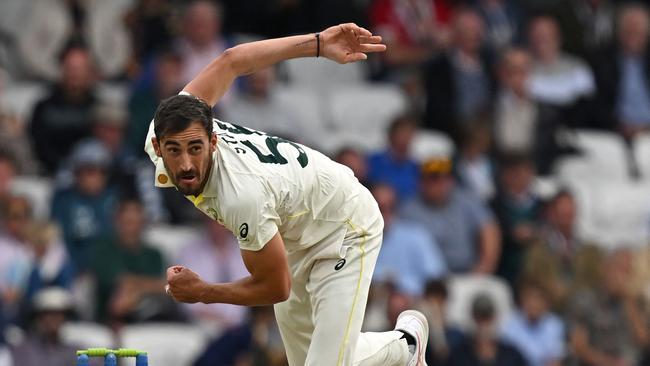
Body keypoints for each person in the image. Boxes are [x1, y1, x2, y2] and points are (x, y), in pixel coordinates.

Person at [148, 24, 429, 365]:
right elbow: (231, 60)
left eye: (195, 148)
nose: (187, 164)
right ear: (157, 147)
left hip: (345, 226)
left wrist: (204, 292)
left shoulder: (240, 196)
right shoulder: (170, 122)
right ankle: (404, 348)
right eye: (174, 150)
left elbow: (274, 288)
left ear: (213, 142)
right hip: (294, 229)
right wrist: (317, 43)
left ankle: (406, 346)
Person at [401, 157, 501, 274]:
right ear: (421, 182)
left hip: (466, 273)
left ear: (451, 180)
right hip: (425, 279)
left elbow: (489, 229)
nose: (438, 184)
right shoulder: (409, 210)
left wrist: (483, 267)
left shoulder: (467, 200)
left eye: (443, 178)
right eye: (432, 179)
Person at [91, 199, 171, 323]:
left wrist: (137, 289)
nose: (131, 228)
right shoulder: (103, 250)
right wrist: (149, 286)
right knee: (122, 297)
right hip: (109, 317)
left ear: (143, 222)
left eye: (136, 222)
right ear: (116, 221)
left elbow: (165, 286)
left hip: (152, 313)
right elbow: (120, 281)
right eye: (127, 222)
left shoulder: (154, 254)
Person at [424, 8, 495, 141]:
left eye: (476, 31)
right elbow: (436, 110)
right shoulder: (439, 68)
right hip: (449, 134)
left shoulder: (490, 64)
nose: (473, 36)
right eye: (467, 31)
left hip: (486, 133)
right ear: (455, 34)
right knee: (434, 152)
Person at [568, 249, 650, 366]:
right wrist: (610, 363)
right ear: (605, 268)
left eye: (627, 272)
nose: (620, 277)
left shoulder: (637, 304)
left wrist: (628, 301)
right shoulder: (584, 300)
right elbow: (578, 347)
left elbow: (644, 342)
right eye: (617, 269)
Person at [29, 46, 98, 174]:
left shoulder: (100, 107)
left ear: (90, 71)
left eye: (80, 68)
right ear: (62, 70)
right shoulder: (44, 107)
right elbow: (37, 145)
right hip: (50, 174)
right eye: (70, 68)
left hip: (93, 175)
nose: (75, 73)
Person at [50, 140, 117, 271]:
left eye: (102, 171)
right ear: (76, 172)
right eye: (90, 171)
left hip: (112, 270)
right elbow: (59, 240)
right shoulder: (63, 200)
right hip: (75, 269)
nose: (96, 177)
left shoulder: (116, 197)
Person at [371, 184, 446, 297]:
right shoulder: (355, 239)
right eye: (379, 208)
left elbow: (436, 276)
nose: (384, 213)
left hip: (414, 301)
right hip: (372, 304)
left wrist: (400, 285)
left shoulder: (417, 235)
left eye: (390, 207)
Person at [176, 219, 249, 329]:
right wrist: (215, 317)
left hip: (240, 324)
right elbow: (185, 293)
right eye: (213, 222)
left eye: (222, 222)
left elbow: (249, 290)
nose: (218, 227)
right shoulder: (189, 251)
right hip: (201, 323)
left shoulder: (244, 251)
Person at [590, 3, 650, 137]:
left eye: (637, 32)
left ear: (646, 35)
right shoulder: (602, 62)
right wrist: (619, 126)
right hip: (617, 134)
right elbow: (597, 105)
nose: (632, 37)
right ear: (619, 32)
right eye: (628, 31)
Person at [447, 293, 527, 366]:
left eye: (487, 318)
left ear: (495, 318)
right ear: (472, 319)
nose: (483, 324)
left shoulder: (512, 356)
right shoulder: (459, 356)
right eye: (479, 318)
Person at [9, 287, 80, 366]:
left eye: (58, 314)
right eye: (49, 314)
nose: (54, 319)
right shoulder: (22, 351)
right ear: (39, 317)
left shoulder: (74, 350)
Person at [501, 279, 565, 366]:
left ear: (546, 303)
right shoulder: (508, 322)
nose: (533, 304)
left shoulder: (554, 325)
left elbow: (555, 361)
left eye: (538, 299)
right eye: (530, 298)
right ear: (522, 300)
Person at [367, 115, 421, 200]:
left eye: (409, 134)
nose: (405, 138)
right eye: (401, 133)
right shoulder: (373, 162)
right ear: (391, 135)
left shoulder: (416, 167)